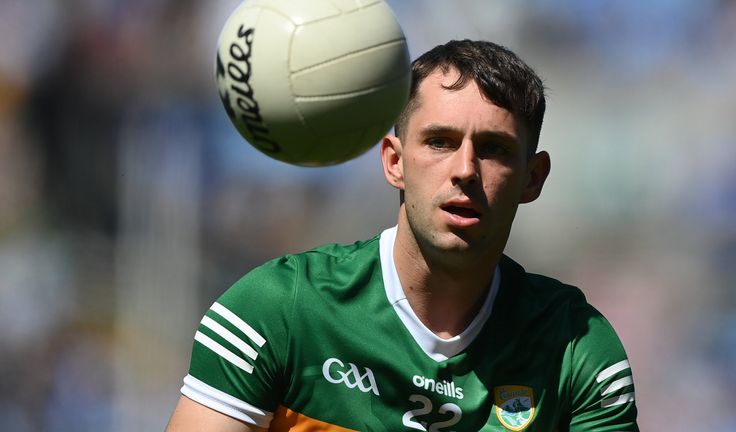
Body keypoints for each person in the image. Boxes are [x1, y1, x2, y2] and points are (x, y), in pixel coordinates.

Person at [166, 39, 639, 431]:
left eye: (493, 150)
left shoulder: (576, 350)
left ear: (533, 178)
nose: (465, 170)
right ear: (394, 161)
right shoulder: (277, 310)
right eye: (440, 142)